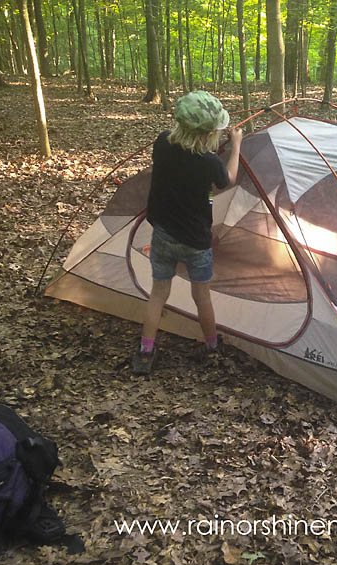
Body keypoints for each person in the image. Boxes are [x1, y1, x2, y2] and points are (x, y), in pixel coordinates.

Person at [131, 91, 243, 375]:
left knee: (158, 293)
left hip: (164, 234)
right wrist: (237, 145)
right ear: (209, 135)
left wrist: (211, 149)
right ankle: (212, 346)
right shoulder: (209, 163)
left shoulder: (162, 144)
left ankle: (145, 351)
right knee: (201, 295)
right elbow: (227, 178)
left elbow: (185, 158)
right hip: (195, 242)